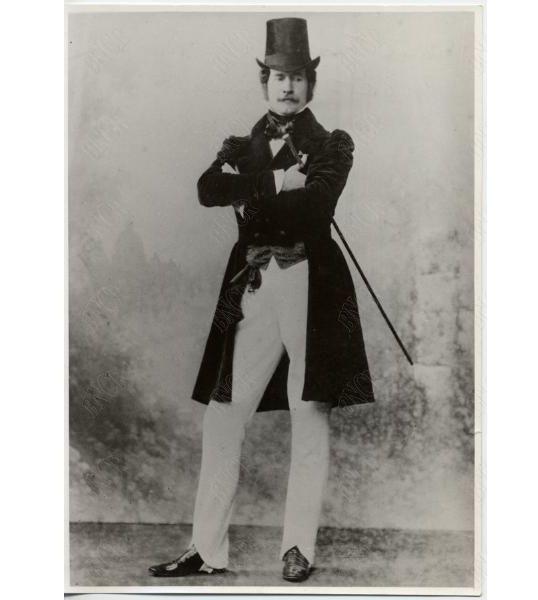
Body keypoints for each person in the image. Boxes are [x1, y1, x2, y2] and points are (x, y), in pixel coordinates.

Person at [149, 17, 375, 583]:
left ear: (311, 83)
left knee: (309, 411)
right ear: (264, 82)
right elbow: (207, 189)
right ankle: (207, 549)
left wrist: (252, 191)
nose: (288, 86)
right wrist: (279, 181)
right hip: (251, 286)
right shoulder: (239, 144)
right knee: (223, 414)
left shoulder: (333, 144)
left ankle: (298, 547)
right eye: (278, 76)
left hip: (311, 288)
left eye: (298, 76)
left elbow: (317, 204)